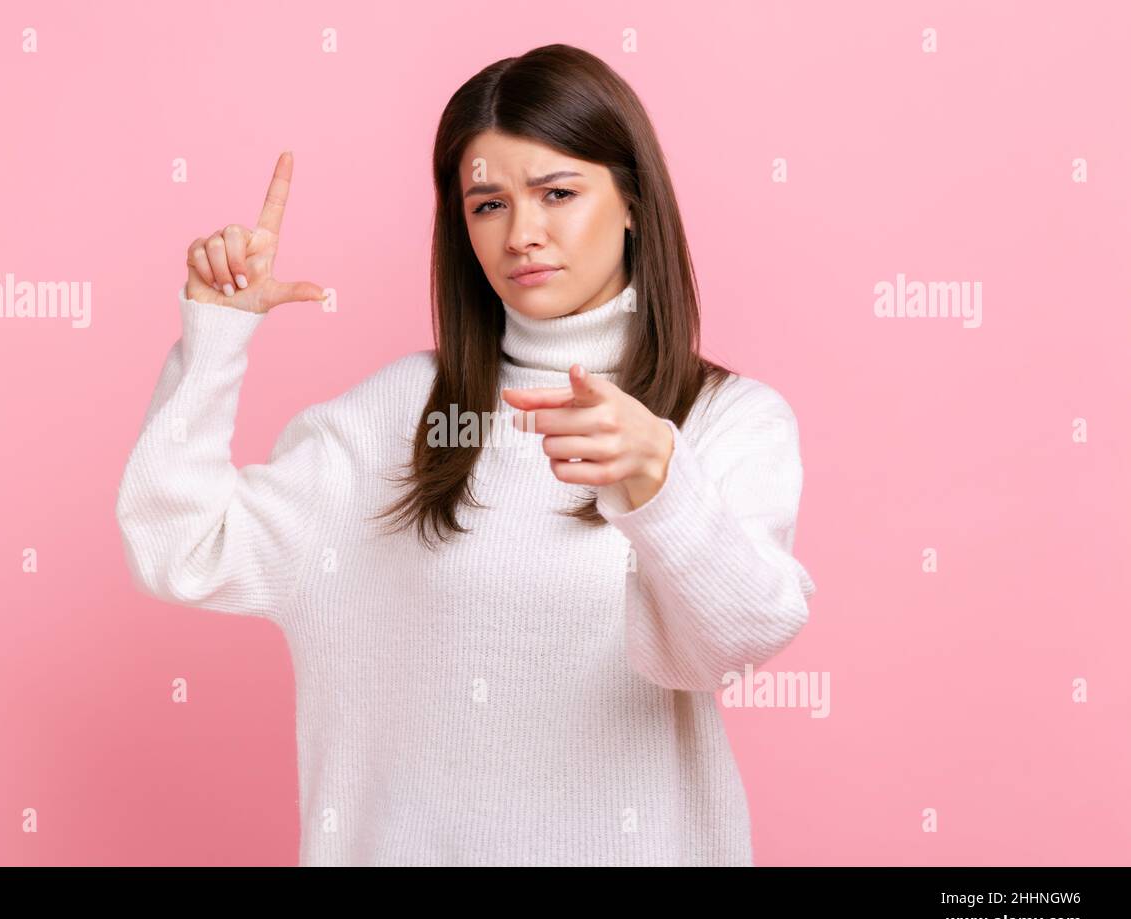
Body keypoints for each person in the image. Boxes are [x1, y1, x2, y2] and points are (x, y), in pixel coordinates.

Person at [115, 43, 817, 866]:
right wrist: (214, 340)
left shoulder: (724, 421)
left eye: (558, 192)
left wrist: (659, 485)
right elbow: (179, 549)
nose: (523, 233)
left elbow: (729, 648)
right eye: (487, 204)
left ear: (632, 201)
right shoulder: (398, 416)